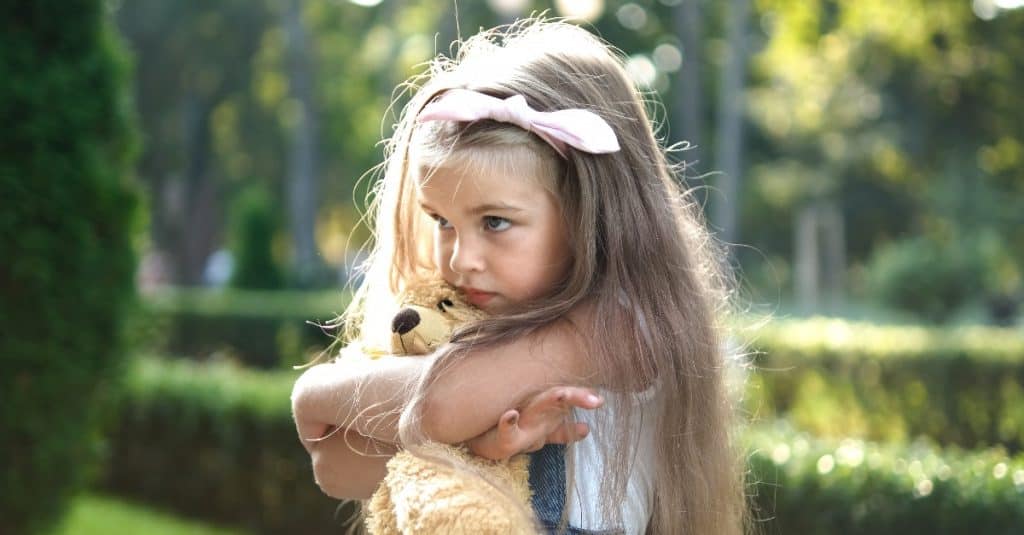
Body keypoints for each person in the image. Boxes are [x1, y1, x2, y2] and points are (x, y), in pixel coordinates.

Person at [291, 18, 746, 534]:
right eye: (442, 221)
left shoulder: (627, 325)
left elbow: (439, 404)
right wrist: (476, 442)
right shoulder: (469, 316)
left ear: (588, 212)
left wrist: (318, 391)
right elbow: (335, 465)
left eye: (495, 222)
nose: (461, 259)